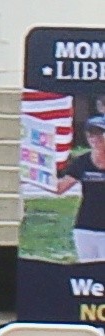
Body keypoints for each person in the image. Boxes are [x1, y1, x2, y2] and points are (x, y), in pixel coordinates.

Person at [58, 113, 105, 265]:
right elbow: (60, 188)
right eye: (91, 133)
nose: (95, 138)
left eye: (100, 133)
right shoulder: (82, 162)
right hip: (85, 228)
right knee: (87, 271)